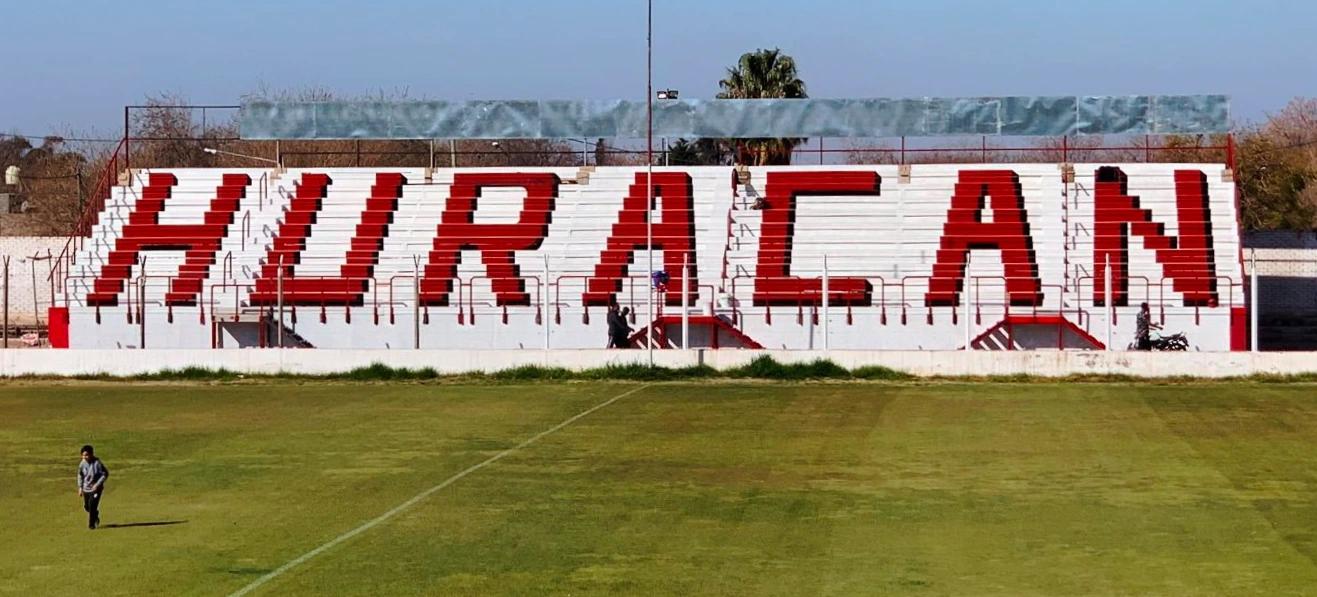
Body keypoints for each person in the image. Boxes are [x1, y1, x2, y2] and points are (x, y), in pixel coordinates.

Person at [77, 445, 109, 529]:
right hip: (86, 489)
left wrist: (97, 484)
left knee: (92, 505)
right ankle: (95, 514)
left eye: (87, 455)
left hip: (96, 489)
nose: (85, 457)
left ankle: (91, 525)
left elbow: (105, 474)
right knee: (87, 507)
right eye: (83, 455)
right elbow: (80, 475)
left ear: (91, 454)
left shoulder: (97, 463)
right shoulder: (82, 464)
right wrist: (80, 487)